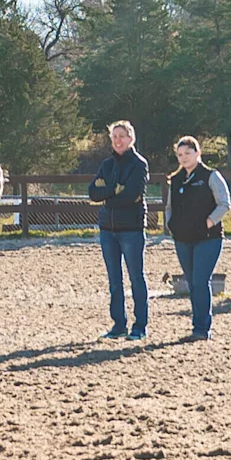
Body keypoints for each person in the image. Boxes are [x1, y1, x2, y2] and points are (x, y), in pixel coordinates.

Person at [87, 120, 149, 340]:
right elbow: (93, 192)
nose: (117, 140)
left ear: (130, 138)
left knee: (136, 278)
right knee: (114, 280)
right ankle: (118, 324)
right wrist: (114, 190)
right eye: (114, 136)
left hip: (131, 229)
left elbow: (131, 194)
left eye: (121, 136)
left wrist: (108, 195)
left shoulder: (139, 164)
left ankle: (140, 326)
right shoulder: (107, 164)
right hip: (107, 230)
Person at [165, 136, 230, 343]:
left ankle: (202, 328)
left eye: (187, 153)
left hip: (207, 239)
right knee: (192, 283)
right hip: (183, 239)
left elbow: (225, 203)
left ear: (197, 153)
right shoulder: (175, 180)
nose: (184, 158)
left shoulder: (211, 176)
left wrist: (208, 222)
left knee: (201, 281)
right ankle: (196, 324)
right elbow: (169, 207)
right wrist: (171, 226)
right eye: (180, 155)